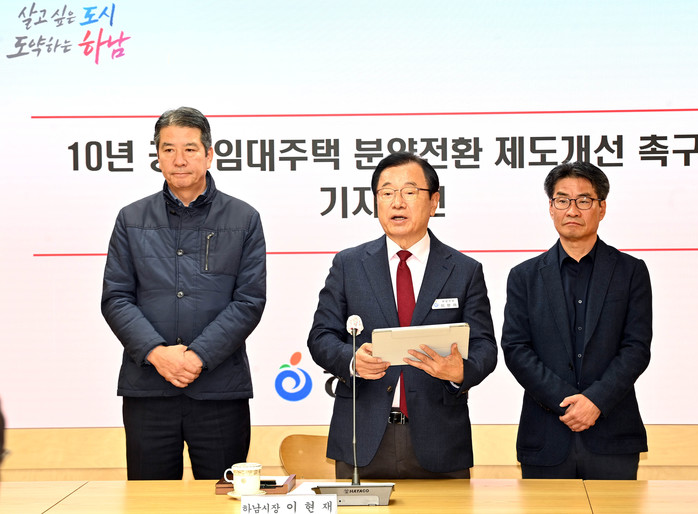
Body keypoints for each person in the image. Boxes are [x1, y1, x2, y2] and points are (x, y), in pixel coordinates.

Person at [308, 152, 497, 479]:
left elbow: (485, 347)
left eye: (409, 191)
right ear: (375, 202)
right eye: (386, 193)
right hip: (362, 438)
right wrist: (352, 360)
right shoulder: (349, 265)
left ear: (433, 201)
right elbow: (321, 337)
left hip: (440, 440)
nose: (397, 202)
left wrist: (460, 371)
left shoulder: (464, 270)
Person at [101, 107, 267, 480]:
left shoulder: (244, 219)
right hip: (148, 389)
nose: (179, 160)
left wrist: (197, 357)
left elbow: (249, 301)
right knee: (150, 501)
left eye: (190, 149)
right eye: (168, 149)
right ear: (157, 157)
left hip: (219, 390)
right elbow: (116, 297)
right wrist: (157, 354)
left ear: (209, 154)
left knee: (224, 498)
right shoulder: (131, 219)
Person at [501, 161, 652, 480]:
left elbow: (636, 348)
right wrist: (567, 404)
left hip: (613, 435)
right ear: (551, 208)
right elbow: (516, 349)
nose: (572, 210)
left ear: (601, 208)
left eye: (584, 200)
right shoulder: (524, 276)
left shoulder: (630, 271)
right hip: (545, 436)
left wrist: (596, 401)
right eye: (562, 200)